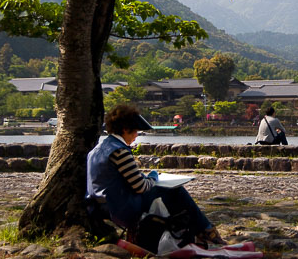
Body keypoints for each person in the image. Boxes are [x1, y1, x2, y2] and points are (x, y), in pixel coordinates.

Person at [86, 104, 226, 247]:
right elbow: (140, 187)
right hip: (120, 207)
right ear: (125, 130)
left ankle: (197, 233)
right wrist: (153, 178)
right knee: (176, 192)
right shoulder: (119, 152)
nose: (136, 136)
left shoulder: (99, 149)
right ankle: (206, 231)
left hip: (101, 206)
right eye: (135, 131)